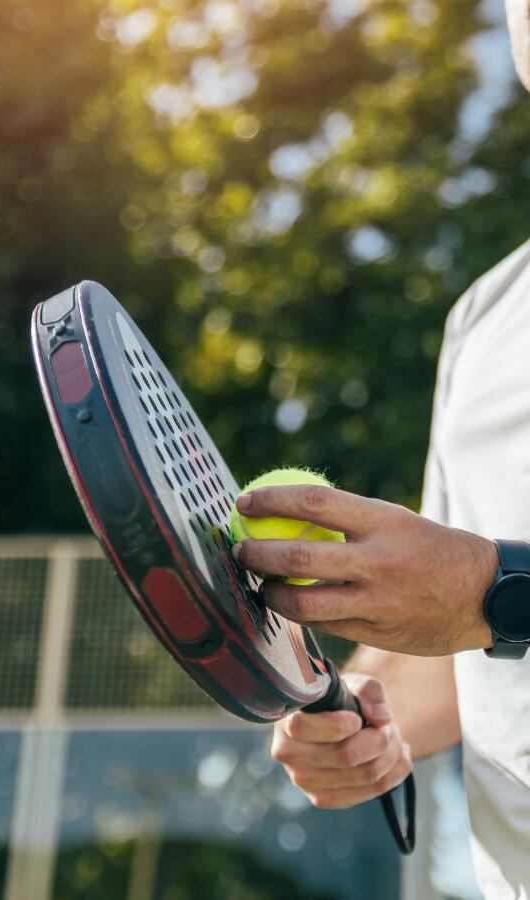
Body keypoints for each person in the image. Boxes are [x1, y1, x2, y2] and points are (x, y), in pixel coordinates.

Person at [227, 7, 530, 890]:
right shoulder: (485, 319)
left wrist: (494, 591)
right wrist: (366, 715)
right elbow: (469, 651)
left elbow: (484, 596)